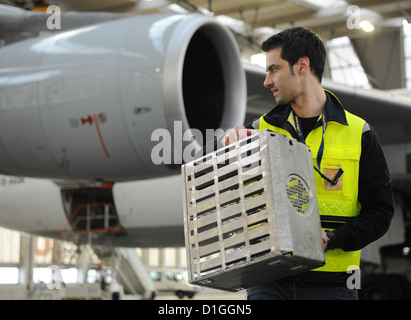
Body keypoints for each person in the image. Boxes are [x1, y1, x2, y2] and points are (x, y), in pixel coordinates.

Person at [221, 27, 394, 300]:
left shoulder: (359, 133)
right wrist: (229, 149)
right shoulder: (257, 132)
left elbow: (380, 212)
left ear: (302, 65)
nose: (267, 81)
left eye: (273, 69)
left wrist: (334, 239)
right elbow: (235, 202)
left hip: (334, 285)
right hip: (270, 280)